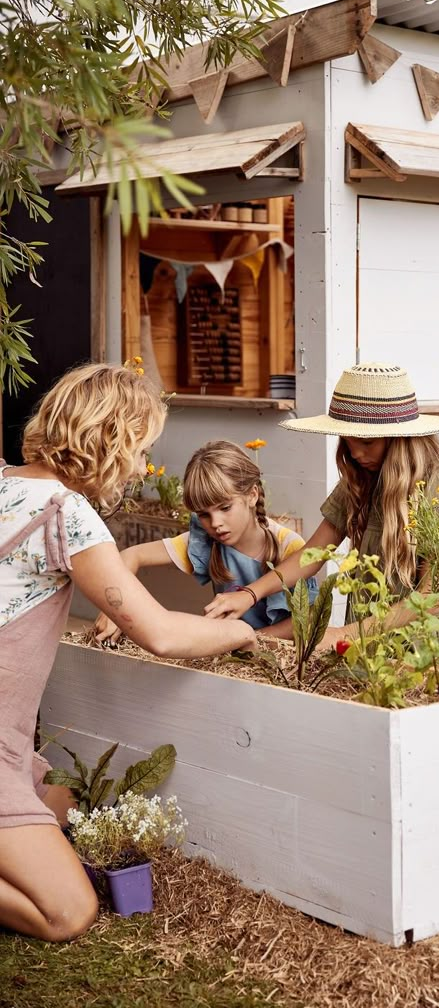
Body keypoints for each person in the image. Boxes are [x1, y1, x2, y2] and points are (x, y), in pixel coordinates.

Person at [0, 364, 257, 944]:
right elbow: (162, 634)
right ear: (109, 441)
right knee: (69, 911)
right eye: (140, 448)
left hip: (9, 743)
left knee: (65, 803)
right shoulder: (64, 514)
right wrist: (241, 634)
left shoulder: (4, 479)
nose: (143, 466)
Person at [203, 362, 439, 637]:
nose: (356, 455)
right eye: (348, 442)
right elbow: (312, 555)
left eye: (366, 443)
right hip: (368, 648)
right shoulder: (361, 478)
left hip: (424, 654)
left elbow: (431, 596)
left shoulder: (438, 485)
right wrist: (249, 594)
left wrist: (344, 635)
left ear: (400, 438)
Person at [95, 440, 317, 646]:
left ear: (252, 495)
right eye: (204, 514)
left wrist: (247, 640)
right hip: (231, 652)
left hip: (284, 656)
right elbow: (132, 555)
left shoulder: (289, 547)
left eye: (225, 508)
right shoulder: (207, 541)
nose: (215, 523)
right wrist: (114, 609)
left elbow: (304, 622)